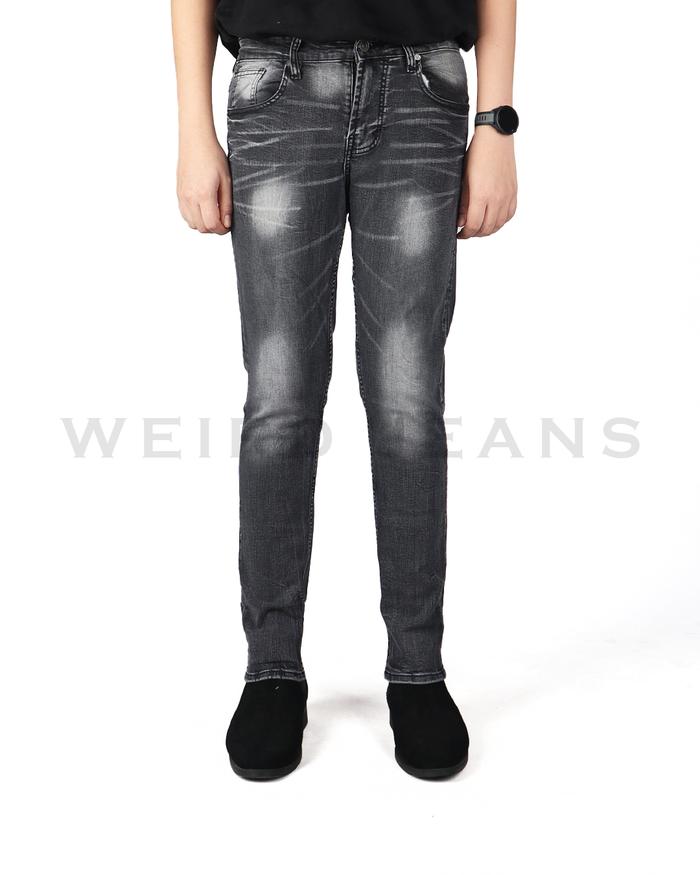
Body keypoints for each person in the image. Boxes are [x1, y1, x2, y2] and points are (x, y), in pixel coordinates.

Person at [171, 0, 518, 780]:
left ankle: (417, 671)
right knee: (280, 398)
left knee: (408, 401)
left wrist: (496, 123)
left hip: (422, 90)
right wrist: (194, 128)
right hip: (277, 88)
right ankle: (271, 669)